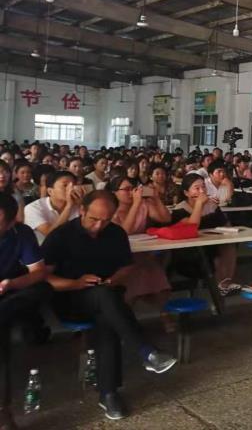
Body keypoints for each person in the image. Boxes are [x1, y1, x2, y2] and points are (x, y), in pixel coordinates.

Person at [42, 190, 177, 420]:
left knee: (107, 317)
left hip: (108, 297)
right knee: (106, 301)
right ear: (82, 210)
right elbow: (44, 277)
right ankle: (145, 352)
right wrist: (76, 283)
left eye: (105, 220)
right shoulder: (61, 235)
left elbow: (126, 266)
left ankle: (109, 393)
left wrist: (114, 279)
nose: (98, 226)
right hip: (71, 298)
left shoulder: (115, 233)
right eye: (93, 219)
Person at [0, 193, 52, 430]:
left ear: (12, 222)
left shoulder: (21, 233)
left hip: (12, 292)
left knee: (41, 289)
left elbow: (38, 272)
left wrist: (11, 283)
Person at [108, 176, 172, 309]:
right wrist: (136, 204)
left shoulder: (144, 205)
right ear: (115, 193)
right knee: (133, 271)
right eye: (126, 189)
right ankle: (126, 311)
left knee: (153, 270)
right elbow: (124, 232)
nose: (131, 193)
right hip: (121, 255)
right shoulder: (111, 210)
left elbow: (165, 218)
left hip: (143, 252)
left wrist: (156, 199)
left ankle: (164, 312)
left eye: (133, 189)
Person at [171, 174, 240, 296]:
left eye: (203, 187)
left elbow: (227, 226)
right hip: (189, 250)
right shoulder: (180, 209)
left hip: (212, 243)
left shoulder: (211, 206)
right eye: (197, 188)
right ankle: (219, 287)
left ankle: (224, 283)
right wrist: (199, 204)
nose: (202, 191)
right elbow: (191, 227)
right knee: (214, 257)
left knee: (229, 246)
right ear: (186, 193)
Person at [25, 171, 82, 244]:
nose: (71, 189)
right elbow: (50, 234)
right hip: (44, 248)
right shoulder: (33, 208)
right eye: (65, 185)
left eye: (73, 185)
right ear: (50, 191)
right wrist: (69, 206)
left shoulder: (78, 204)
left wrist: (83, 205)